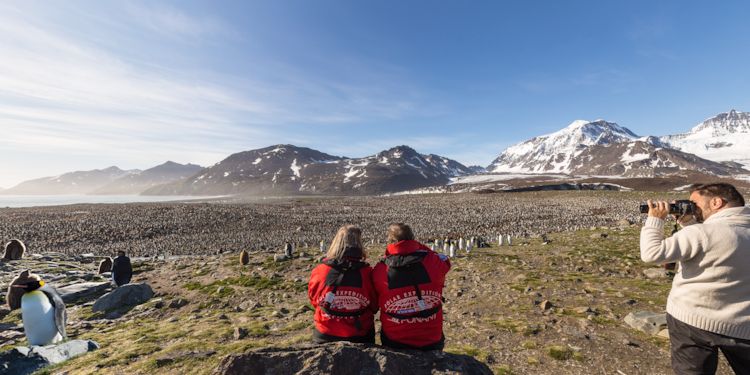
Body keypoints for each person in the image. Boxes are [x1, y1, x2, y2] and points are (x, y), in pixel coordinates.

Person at [640, 183, 750, 374]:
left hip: (691, 319)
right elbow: (711, 246)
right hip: (742, 325)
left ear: (716, 202)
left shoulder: (700, 233)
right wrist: (689, 222)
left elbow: (651, 253)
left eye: (694, 203)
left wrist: (655, 220)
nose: (691, 207)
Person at [372, 223, 451, 350]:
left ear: (390, 242)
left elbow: (374, 303)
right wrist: (418, 246)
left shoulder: (380, 270)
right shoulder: (432, 261)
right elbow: (446, 261)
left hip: (395, 340)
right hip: (431, 338)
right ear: (413, 239)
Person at [308, 225, 377, 343]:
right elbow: (374, 305)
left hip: (326, 332)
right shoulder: (367, 273)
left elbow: (314, 300)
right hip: (359, 334)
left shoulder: (321, 271)